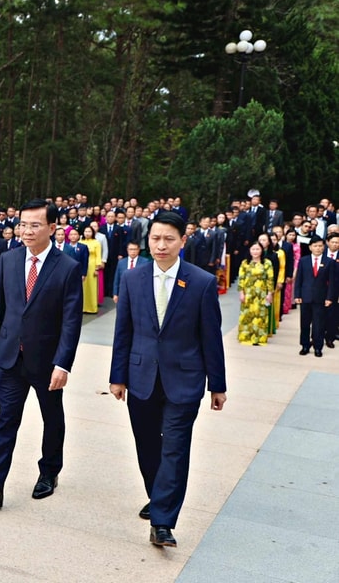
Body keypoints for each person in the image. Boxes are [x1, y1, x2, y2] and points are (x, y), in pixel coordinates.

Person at [109, 211, 227, 549]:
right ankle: (158, 495)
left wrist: (217, 384)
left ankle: (162, 522)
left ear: (182, 241)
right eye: (155, 238)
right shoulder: (133, 279)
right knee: (148, 447)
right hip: (140, 376)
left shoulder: (201, 282)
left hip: (185, 380)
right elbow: (124, 332)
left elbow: (211, 337)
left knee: (175, 449)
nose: (161, 245)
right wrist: (118, 376)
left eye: (168, 239)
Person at [0, 198, 83, 509]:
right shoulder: (9, 259)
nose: (27, 230)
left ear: (52, 227)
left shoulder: (68, 268)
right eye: (23, 224)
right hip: (8, 357)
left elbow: (71, 321)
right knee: (5, 420)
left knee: (52, 418)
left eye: (35, 225)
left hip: (46, 362)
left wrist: (63, 363)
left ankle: (49, 472)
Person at [294, 235, 334, 357]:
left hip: (321, 298)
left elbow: (333, 282)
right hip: (305, 297)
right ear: (310, 247)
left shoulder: (329, 262)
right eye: (315, 246)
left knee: (318, 324)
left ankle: (318, 347)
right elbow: (299, 279)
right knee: (305, 323)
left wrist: (329, 297)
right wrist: (297, 295)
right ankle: (305, 345)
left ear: (324, 247)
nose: (318, 248)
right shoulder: (303, 260)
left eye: (320, 246)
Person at [237, 242, 274, 346]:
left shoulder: (267, 263)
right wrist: (241, 293)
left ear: (262, 250)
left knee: (260, 316)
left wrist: (269, 293)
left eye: (257, 249)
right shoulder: (245, 263)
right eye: (253, 249)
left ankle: (260, 338)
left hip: (262, 293)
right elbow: (241, 279)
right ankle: (246, 337)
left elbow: (270, 279)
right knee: (247, 315)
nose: (255, 252)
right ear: (249, 250)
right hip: (248, 293)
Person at [79, 226, 102, 314]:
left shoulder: (96, 242)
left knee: (92, 287)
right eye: (86, 231)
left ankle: (92, 307)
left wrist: (97, 267)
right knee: (82, 287)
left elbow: (98, 255)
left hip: (92, 265)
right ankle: (82, 307)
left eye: (89, 231)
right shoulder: (80, 242)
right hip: (82, 266)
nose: (87, 233)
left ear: (92, 233)